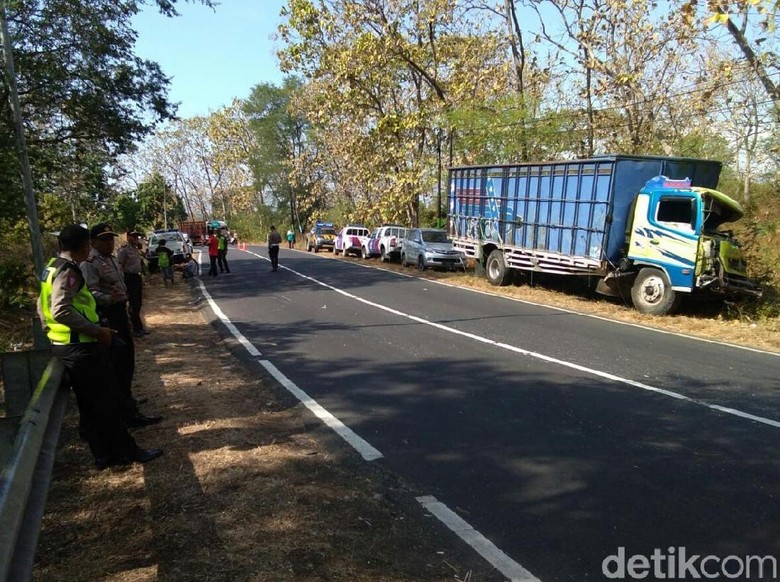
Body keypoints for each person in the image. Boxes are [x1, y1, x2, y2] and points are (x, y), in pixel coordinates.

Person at [38, 224, 162, 469]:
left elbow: (42, 308)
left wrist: (50, 333)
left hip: (66, 344)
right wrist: (96, 331)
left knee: (91, 405)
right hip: (81, 346)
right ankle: (126, 451)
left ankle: (103, 454)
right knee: (106, 402)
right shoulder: (69, 270)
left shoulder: (50, 267)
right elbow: (60, 309)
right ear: (85, 245)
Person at [81, 223, 162, 428]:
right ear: (93, 242)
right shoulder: (90, 263)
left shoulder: (111, 259)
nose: (109, 243)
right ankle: (127, 413)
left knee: (127, 362)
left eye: (111, 239)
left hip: (119, 312)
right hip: (107, 317)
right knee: (118, 365)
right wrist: (109, 299)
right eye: (104, 239)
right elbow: (89, 293)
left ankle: (128, 402)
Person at [117, 229, 147, 336]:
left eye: (136, 237)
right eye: (133, 237)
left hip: (137, 277)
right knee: (133, 304)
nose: (135, 239)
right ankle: (136, 328)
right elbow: (119, 266)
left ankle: (138, 327)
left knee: (138, 303)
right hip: (128, 278)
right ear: (128, 237)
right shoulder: (123, 250)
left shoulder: (135, 249)